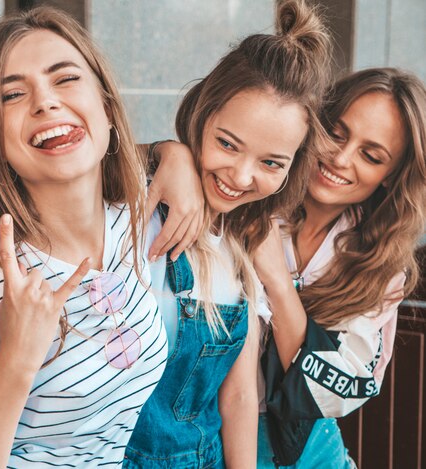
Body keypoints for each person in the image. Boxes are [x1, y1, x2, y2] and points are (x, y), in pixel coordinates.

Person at [0, 7, 202, 468]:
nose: (44, 102)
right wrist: (18, 359)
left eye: (65, 79)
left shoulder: (133, 219)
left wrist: (177, 154)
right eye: (11, 95)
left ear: (106, 104)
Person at [123, 1, 332, 467]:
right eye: (226, 143)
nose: (240, 175)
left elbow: (238, 398)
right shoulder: (136, 205)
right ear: (201, 112)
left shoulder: (247, 248)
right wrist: (164, 152)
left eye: (271, 162)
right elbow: (66, 171)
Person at [253, 68, 426, 468]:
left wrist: (278, 282)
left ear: (390, 177)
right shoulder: (249, 196)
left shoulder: (379, 269)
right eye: (337, 131)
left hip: (312, 453)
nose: (340, 158)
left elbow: (335, 392)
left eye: (371, 155)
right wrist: (165, 152)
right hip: (211, 439)